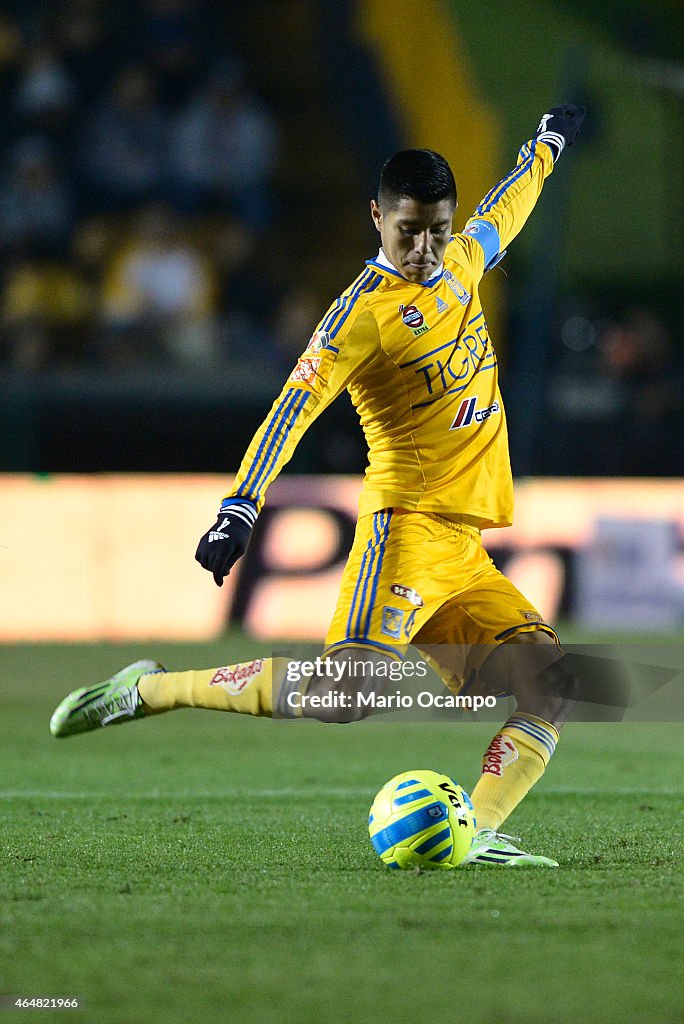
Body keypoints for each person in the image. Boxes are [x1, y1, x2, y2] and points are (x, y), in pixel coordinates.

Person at [50, 105, 586, 867]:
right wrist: (240, 506)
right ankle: (150, 690)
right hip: (403, 529)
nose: (426, 247)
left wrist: (547, 145)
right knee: (348, 695)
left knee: (553, 683)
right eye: (408, 231)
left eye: (437, 228)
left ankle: (484, 831)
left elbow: (509, 208)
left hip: (461, 547)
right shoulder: (356, 319)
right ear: (376, 217)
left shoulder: (463, 261)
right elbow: (290, 412)